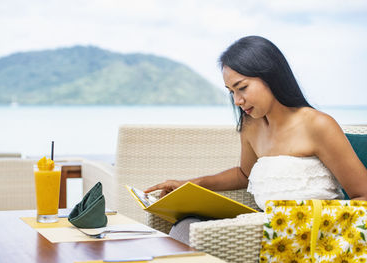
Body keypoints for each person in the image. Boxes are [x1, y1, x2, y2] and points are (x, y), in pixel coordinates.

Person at [144, 35, 367, 245]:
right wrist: (190, 185)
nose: (237, 100)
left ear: (271, 76)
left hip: (310, 238)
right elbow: (244, 174)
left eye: (242, 88)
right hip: (262, 233)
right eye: (231, 91)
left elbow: (363, 195)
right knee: (185, 226)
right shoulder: (251, 126)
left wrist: (311, 229)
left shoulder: (317, 125)